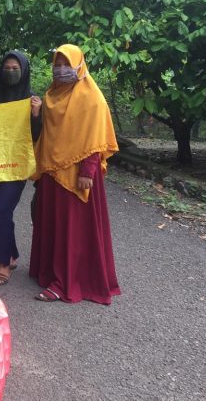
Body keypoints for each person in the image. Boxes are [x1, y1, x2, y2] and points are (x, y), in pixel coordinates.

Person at [30, 43, 120, 304]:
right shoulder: (51, 95)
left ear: (79, 65)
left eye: (66, 64)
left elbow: (96, 137)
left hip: (77, 174)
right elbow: (43, 133)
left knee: (73, 230)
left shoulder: (92, 98)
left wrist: (88, 171)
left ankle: (65, 282)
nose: (60, 70)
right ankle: (49, 273)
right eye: (57, 64)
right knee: (53, 224)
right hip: (51, 172)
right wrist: (36, 114)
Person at [0, 51, 42, 285]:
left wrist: (36, 115)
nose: (10, 72)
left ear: (24, 71)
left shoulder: (31, 100)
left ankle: (4, 263)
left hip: (16, 164)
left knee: (1, 208)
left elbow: (36, 136)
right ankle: (11, 253)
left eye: (15, 68)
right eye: (6, 68)